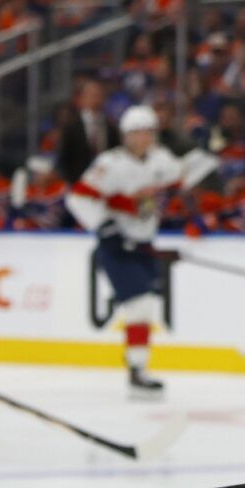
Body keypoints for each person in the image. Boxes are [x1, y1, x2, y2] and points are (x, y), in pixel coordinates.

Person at [65, 104, 185, 398]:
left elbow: (182, 179)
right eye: (137, 133)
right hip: (116, 246)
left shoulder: (162, 160)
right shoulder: (110, 164)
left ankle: (138, 368)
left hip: (144, 244)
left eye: (148, 132)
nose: (143, 138)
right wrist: (105, 227)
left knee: (145, 307)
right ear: (125, 136)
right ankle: (137, 370)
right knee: (140, 305)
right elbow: (78, 198)